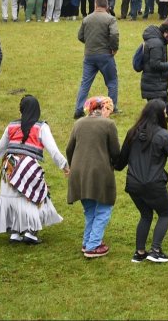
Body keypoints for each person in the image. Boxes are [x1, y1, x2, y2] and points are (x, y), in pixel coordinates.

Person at [115, 99, 168, 263]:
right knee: (164, 213)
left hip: (133, 184)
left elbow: (120, 162)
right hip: (154, 184)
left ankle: (139, 253)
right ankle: (155, 250)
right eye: (165, 112)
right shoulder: (163, 136)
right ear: (160, 114)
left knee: (145, 214)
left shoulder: (132, 132)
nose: (167, 115)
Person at [0, 95, 70, 243]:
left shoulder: (11, 126)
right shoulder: (41, 127)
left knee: (12, 196)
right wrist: (65, 166)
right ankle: (30, 233)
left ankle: (15, 233)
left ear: (21, 109)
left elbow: (1, 146)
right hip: (28, 165)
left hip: (8, 166)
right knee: (35, 196)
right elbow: (53, 150)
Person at [66, 97, 121, 258]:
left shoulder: (78, 123)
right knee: (104, 207)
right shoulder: (108, 125)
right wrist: (116, 164)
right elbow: (115, 151)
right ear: (103, 109)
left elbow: (69, 149)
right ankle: (93, 245)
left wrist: (74, 166)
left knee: (90, 209)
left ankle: (87, 241)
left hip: (78, 173)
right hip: (100, 173)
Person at [73, 0, 120, 120]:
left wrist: (90, 43)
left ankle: (78, 109)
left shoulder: (87, 19)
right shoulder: (110, 19)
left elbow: (80, 36)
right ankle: (112, 107)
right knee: (112, 82)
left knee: (85, 83)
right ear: (107, 6)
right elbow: (114, 34)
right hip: (105, 55)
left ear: (95, 5)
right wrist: (114, 48)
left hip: (89, 55)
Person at [140, 19, 168, 116]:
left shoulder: (159, 41)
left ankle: (151, 130)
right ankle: (148, 130)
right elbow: (155, 64)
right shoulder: (157, 43)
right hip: (154, 86)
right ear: (166, 32)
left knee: (164, 114)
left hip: (156, 86)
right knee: (162, 115)